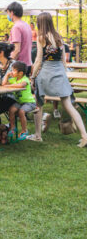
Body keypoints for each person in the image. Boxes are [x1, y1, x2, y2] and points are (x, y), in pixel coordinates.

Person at [28, 12, 87, 147]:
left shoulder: (41, 38)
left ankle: (38, 135)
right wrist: (64, 72)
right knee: (69, 106)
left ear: (40, 23)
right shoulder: (58, 37)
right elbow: (63, 60)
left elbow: (38, 60)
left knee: (39, 104)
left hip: (46, 73)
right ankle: (85, 136)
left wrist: (32, 77)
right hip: (59, 72)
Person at [3, 61, 36, 140]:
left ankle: (24, 130)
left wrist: (10, 86)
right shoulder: (14, 79)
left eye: (13, 70)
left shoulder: (25, 79)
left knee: (21, 111)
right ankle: (12, 127)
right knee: (11, 110)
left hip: (29, 103)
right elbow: (3, 84)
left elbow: (21, 85)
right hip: (20, 102)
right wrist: (7, 75)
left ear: (20, 73)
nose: (11, 72)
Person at [6, 1, 32, 75]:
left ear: (12, 13)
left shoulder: (16, 27)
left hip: (19, 66)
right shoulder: (26, 25)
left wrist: (8, 65)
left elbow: (17, 50)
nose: (7, 15)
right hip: (28, 63)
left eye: (8, 12)